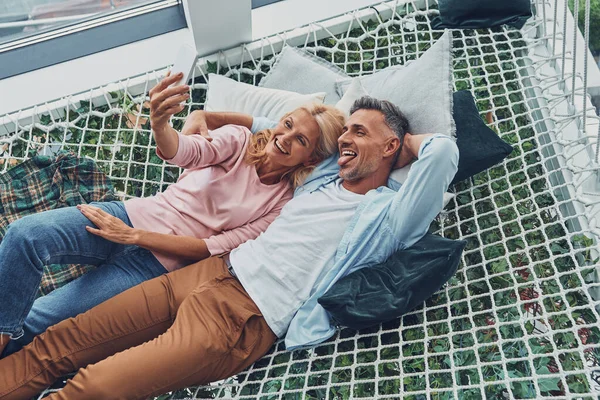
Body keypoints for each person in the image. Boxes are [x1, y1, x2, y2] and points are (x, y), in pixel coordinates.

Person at [0, 96, 459, 400]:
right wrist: (200, 119)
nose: (346, 141)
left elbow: (441, 155)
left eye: (360, 132)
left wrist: (402, 146)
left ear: (393, 146)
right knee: (60, 342)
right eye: (345, 135)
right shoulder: (320, 178)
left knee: (93, 387)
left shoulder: (391, 217)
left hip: (245, 317)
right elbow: (282, 130)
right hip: (204, 273)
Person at [0, 71, 345, 357]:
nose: (284, 137)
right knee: (24, 237)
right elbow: (185, 151)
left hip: (153, 267)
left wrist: (135, 238)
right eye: (286, 124)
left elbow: (213, 248)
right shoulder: (239, 140)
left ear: (310, 160)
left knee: (45, 322)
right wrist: (160, 124)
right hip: (130, 215)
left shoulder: (281, 206)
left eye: (300, 140)